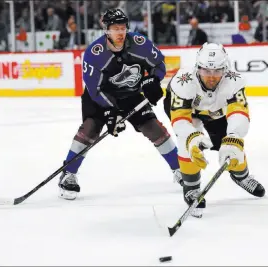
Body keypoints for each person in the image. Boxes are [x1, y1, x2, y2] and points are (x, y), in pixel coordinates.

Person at [58, 8, 182, 200]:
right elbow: (94, 89)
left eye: (123, 28)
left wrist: (153, 81)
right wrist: (111, 112)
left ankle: (180, 168)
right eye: (115, 28)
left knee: (153, 127)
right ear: (106, 29)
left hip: (131, 94)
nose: (120, 32)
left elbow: (159, 64)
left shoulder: (139, 44)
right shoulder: (94, 53)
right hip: (100, 97)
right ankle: (68, 173)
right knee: (90, 128)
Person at [164, 42, 265, 217]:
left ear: (225, 69)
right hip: (187, 111)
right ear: (197, 68)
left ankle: (241, 175)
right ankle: (191, 187)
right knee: (187, 142)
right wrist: (192, 138)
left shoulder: (234, 80)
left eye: (217, 71)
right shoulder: (183, 81)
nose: (211, 77)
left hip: (215, 112)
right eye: (205, 71)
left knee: (232, 145)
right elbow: (180, 120)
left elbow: (239, 113)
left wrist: (234, 137)